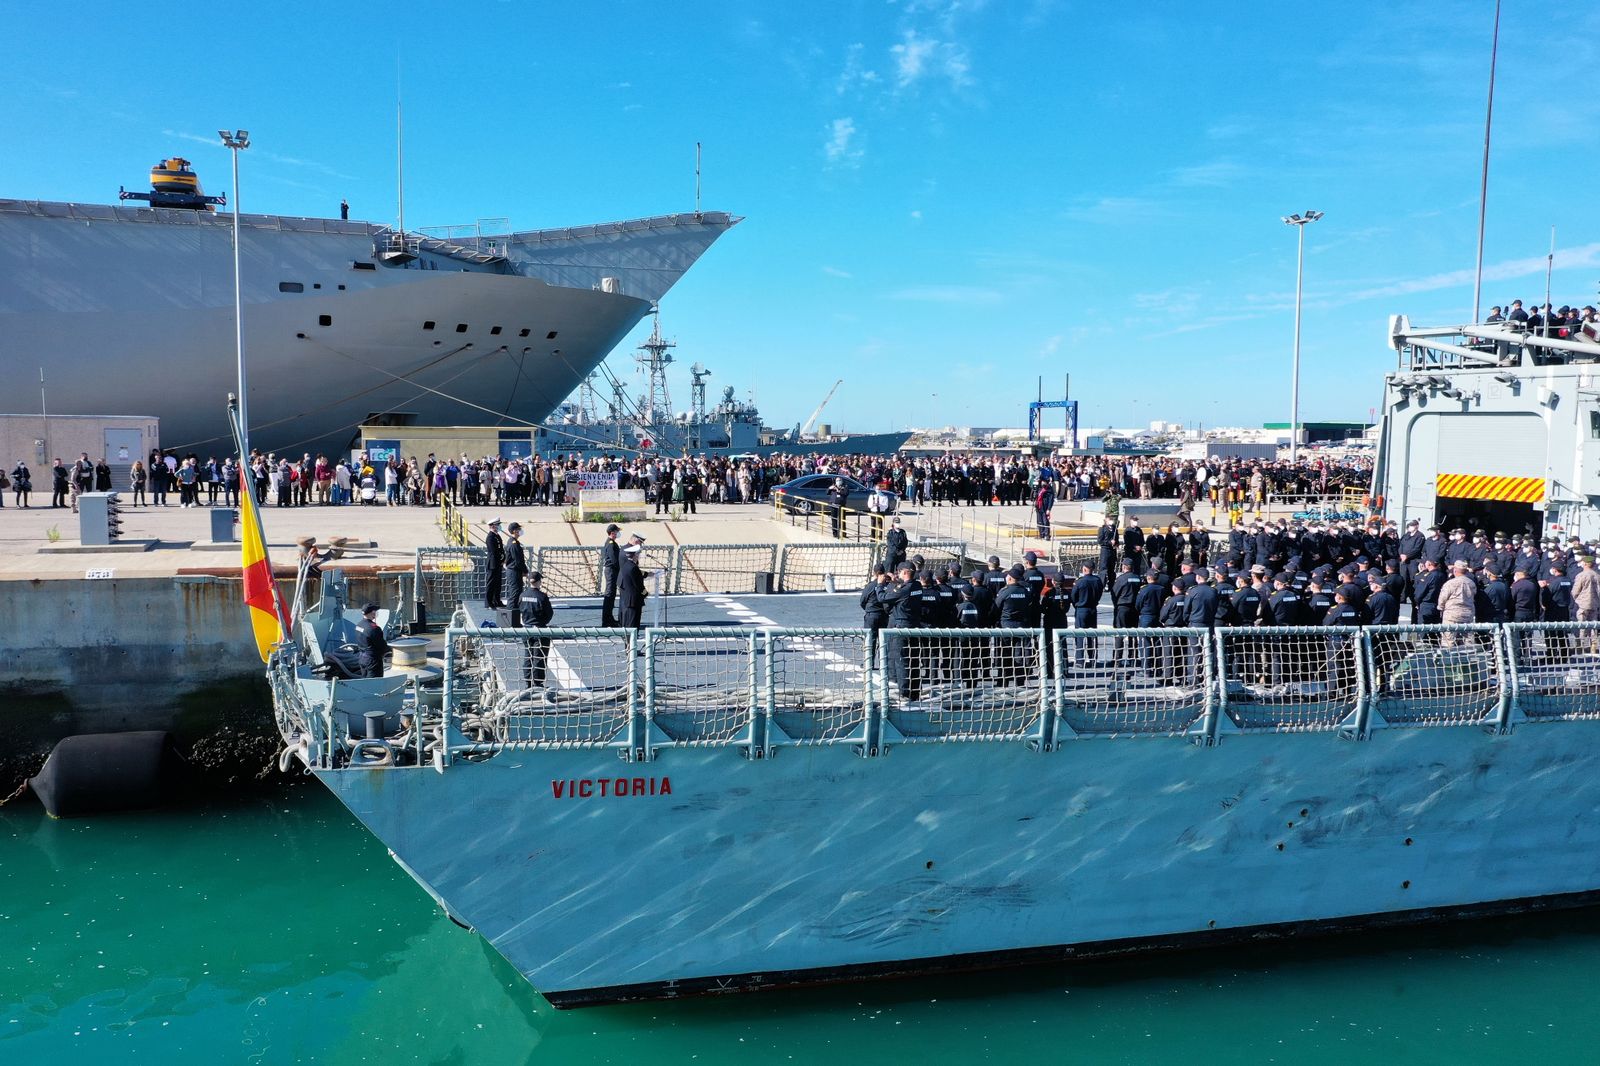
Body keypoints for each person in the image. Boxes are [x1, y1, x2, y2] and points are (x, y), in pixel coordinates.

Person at [521, 572, 555, 687]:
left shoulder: (522, 595)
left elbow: (519, 609)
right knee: (539, 657)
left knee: (528, 655)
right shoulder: (542, 596)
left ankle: (527, 681)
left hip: (526, 629)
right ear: (539, 581)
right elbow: (549, 614)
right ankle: (538, 682)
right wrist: (542, 622)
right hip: (540, 630)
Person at [861, 564, 890, 663]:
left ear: (874, 573)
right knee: (883, 640)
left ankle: (869, 662)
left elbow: (862, 601)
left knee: (870, 639)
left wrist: (869, 609)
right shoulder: (887, 585)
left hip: (872, 615)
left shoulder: (870, 586)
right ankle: (883, 662)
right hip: (884, 615)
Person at [617, 542, 649, 634]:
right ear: (635, 555)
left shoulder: (626, 566)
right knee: (633, 626)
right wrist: (646, 594)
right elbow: (639, 586)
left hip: (627, 601)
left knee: (627, 625)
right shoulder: (634, 568)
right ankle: (630, 647)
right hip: (634, 602)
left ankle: (628, 646)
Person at [503, 522, 529, 625]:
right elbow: (518, 560)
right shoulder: (513, 543)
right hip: (514, 571)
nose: (520, 531)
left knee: (517, 593)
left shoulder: (514, 542)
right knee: (514, 595)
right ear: (514, 531)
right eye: (518, 529)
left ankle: (514, 621)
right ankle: (509, 621)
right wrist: (525, 571)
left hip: (515, 571)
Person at [355, 602, 389, 678]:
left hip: (362, 658)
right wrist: (390, 650)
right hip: (372, 661)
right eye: (375, 611)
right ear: (373, 612)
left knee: (365, 681)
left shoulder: (358, 625)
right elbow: (382, 646)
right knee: (374, 684)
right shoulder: (374, 628)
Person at [599, 523, 622, 627]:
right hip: (611, 571)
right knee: (609, 595)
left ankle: (609, 617)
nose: (618, 533)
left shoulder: (611, 543)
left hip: (611, 571)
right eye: (617, 531)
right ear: (612, 533)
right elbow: (614, 560)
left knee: (611, 595)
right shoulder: (611, 544)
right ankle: (607, 619)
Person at [484, 518, 506, 610]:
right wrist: (501, 559)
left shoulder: (496, 536)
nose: (499, 526)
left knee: (498, 583)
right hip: (493, 563)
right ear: (492, 526)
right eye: (497, 525)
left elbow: (501, 549)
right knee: (491, 583)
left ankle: (497, 601)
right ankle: (489, 602)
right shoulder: (490, 537)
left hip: (498, 563)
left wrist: (503, 558)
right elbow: (494, 551)